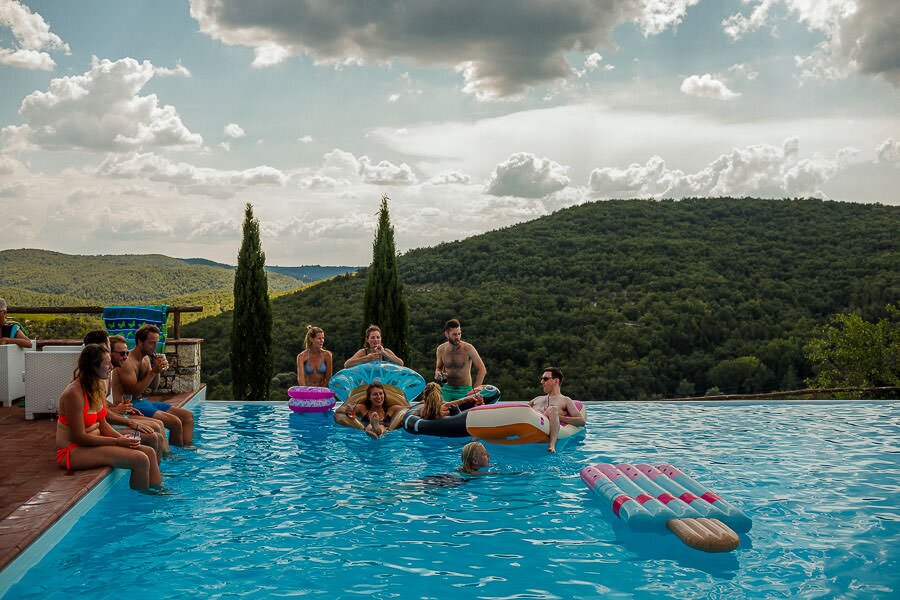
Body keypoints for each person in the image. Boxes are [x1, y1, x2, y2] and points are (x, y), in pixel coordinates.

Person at [55, 344, 161, 490]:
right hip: (73, 451)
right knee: (140, 459)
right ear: (93, 366)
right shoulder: (74, 393)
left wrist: (123, 440)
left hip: (95, 441)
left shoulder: (96, 386)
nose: (111, 366)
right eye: (107, 363)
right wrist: (117, 441)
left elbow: (103, 424)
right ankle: (141, 506)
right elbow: (79, 437)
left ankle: (158, 492)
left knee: (148, 451)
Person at [82, 331, 167, 459]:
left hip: (111, 418)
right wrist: (126, 421)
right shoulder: (95, 378)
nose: (126, 356)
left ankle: (165, 465)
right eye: (122, 353)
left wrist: (156, 371)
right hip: (101, 428)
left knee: (157, 428)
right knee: (154, 434)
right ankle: (163, 467)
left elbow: (100, 403)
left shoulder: (104, 373)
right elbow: (97, 414)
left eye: (127, 353)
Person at [114, 324, 195, 447]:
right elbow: (134, 392)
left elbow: (153, 389)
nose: (155, 346)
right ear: (140, 342)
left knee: (187, 416)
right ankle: (175, 459)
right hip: (131, 405)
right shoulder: (127, 361)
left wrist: (158, 369)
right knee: (175, 422)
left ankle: (188, 450)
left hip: (143, 401)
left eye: (156, 342)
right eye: (152, 342)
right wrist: (154, 371)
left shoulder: (146, 359)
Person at [528, 367, 585, 453]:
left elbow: (581, 422)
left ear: (556, 381)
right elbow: (523, 411)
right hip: (532, 425)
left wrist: (559, 417)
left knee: (553, 409)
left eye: (545, 379)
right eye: (541, 379)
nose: (542, 382)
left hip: (545, 425)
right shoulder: (537, 399)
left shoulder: (565, 400)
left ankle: (552, 445)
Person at [435, 318, 486, 402]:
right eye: (454, 334)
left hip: (465, 390)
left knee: (462, 412)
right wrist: (437, 373)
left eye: (459, 334)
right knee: (438, 410)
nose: (458, 337)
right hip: (446, 389)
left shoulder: (468, 348)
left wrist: (475, 391)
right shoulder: (441, 349)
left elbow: (482, 369)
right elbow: (438, 368)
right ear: (447, 334)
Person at [335, 383, 404, 439]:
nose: (379, 397)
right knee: (369, 426)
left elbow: (408, 409)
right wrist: (348, 410)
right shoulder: (363, 408)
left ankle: (376, 429)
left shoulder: (392, 409)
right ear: (369, 397)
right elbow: (339, 410)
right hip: (365, 429)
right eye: (375, 394)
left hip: (386, 431)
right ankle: (374, 429)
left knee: (382, 427)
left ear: (384, 395)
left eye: (381, 393)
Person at [419, 382, 483, 420]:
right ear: (440, 394)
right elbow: (461, 401)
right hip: (449, 428)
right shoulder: (444, 407)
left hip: (430, 431)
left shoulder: (423, 410)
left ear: (425, 395)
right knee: (455, 409)